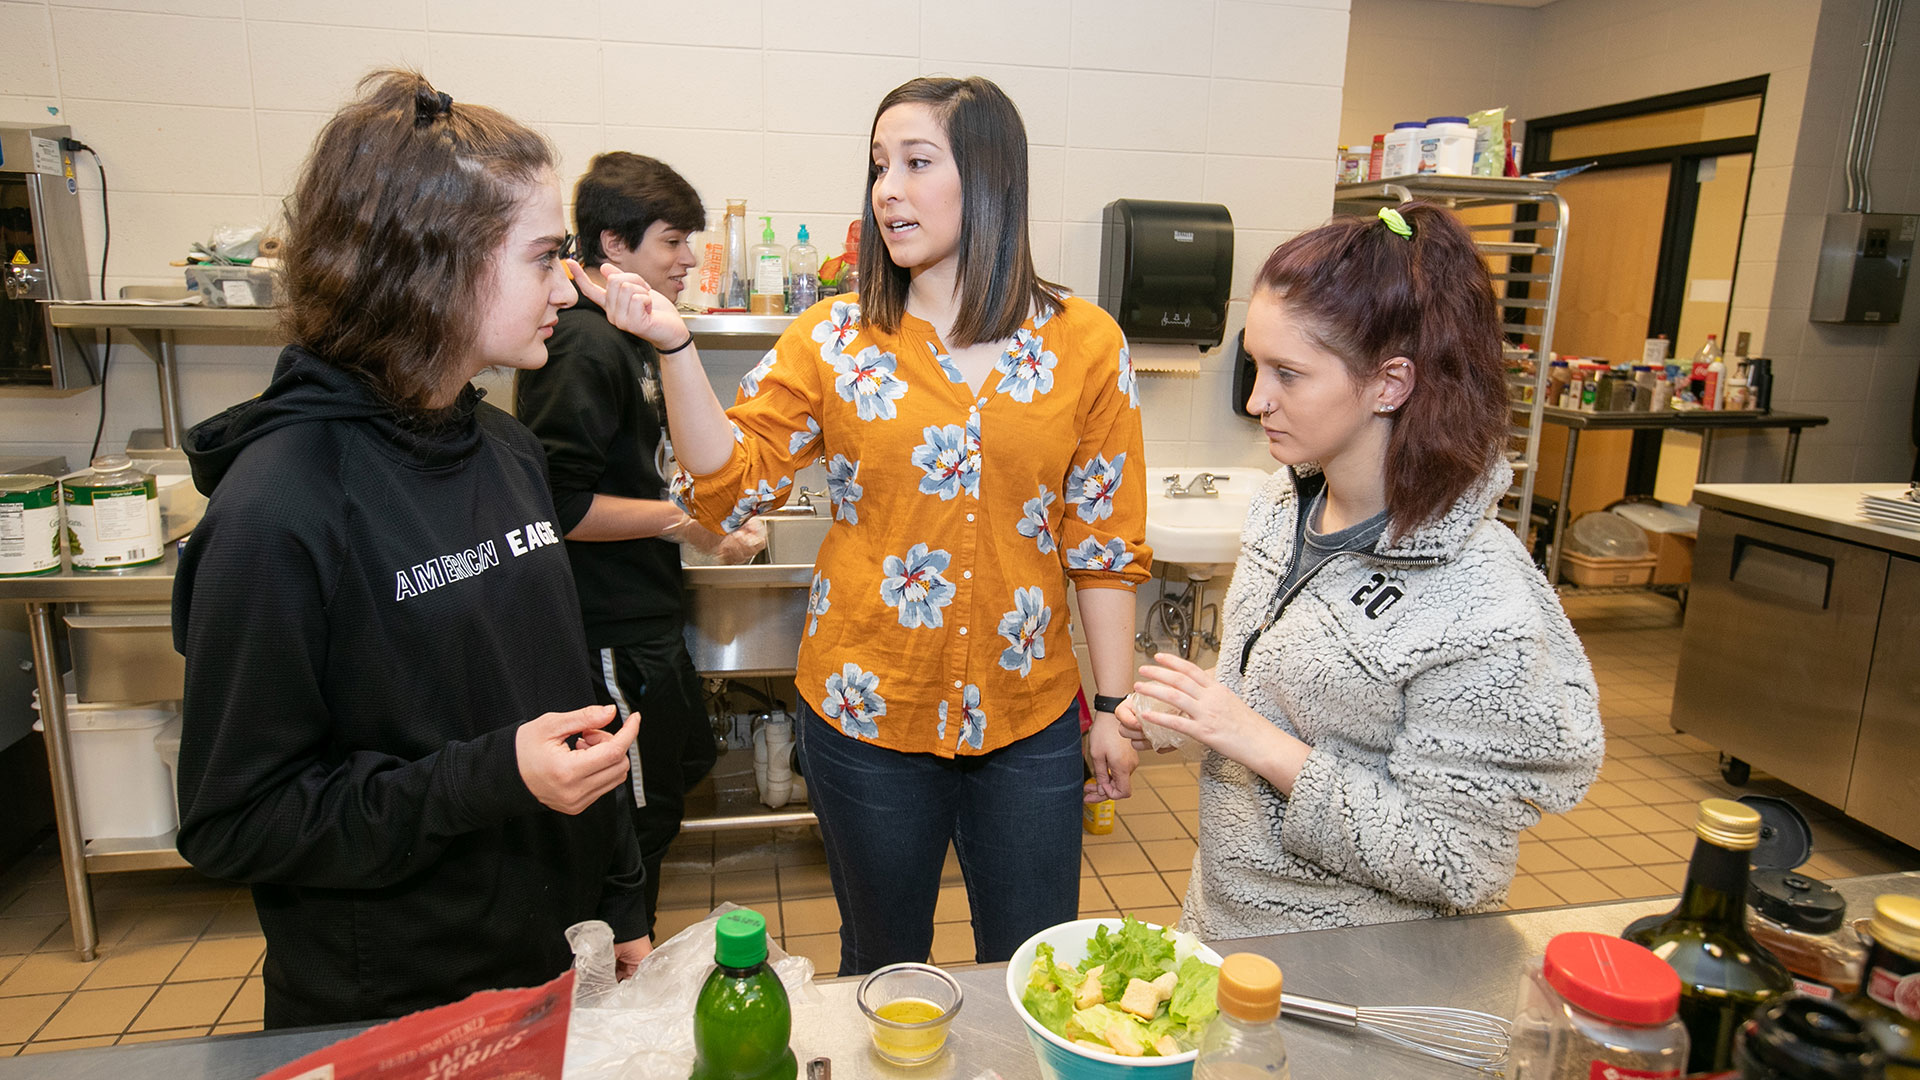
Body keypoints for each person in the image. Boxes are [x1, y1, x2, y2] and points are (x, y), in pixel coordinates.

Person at [575, 76, 1148, 974]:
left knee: (1036, 970)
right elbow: (725, 484)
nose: (887, 189)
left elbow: (1106, 545)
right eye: (879, 165)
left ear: (991, 178)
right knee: (882, 968)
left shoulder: (1087, 343)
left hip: (1028, 720)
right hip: (866, 716)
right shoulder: (835, 337)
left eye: (917, 163)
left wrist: (1112, 705)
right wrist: (675, 346)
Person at [172, 70, 650, 1028]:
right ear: (434, 265)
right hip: (392, 1003)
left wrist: (619, 896)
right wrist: (491, 778)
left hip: (549, 964)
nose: (565, 287)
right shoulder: (282, 506)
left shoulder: (508, 450)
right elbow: (235, 819)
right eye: (543, 257)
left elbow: (561, 697)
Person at [1119, 203, 1604, 938]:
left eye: (1288, 373)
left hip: (1356, 964)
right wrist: (1171, 720)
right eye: (1255, 365)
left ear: (1390, 384)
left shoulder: (1481, 600)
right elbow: (1267, 684)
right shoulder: (1285, 508)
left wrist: (1248, 736)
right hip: (1229, 929)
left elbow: (1457, 864)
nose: (1256, 401)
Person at [516, 152, 764, 938]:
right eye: (672, 241)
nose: (689, 258)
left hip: (645, 614)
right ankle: (616, 973)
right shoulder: (583, 345)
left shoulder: (633, 338)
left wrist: (700, 514)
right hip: (608, 628)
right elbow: (557, 504)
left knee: (674, 776)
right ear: (614, 245)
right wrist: (687, 524)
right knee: (633, 821)